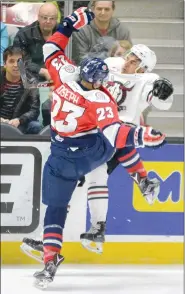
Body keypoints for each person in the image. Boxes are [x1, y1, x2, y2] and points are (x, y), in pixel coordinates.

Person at [29, 8, 165, 289]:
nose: (129, 62)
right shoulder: (99, 98)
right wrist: (144, 136)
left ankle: (51, 258)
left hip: (59, 155)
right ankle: (140, 180)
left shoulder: (65, 75)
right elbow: (115, 133)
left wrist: (69, 23)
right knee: (116, 138)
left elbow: (51, 47)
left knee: (56, 208)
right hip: (93, 148)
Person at [79, 44, 174, 253]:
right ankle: (143, 182)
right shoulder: (112, 64)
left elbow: (162, 102)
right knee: (94, 176)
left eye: (134, 62)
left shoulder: (147, 80)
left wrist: (165, 94)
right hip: (94, 128)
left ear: (143, 69)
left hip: (119, 131)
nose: (128, 63)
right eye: (129, 57)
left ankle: (96, 227)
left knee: (93, 176)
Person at [0, 46, 41, 134]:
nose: (16, 65)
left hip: (20, 123)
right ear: (5, 64)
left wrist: (20, 120)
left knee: (35, 126)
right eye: (11, 61)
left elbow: (35, 110)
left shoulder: (31, 81)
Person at [13, 3, 58, 82]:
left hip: (56, 77)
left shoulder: (61, 32)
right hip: (30, 79)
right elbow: (19, 61)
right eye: (44, 18)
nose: (48, 21)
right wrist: (43, 71)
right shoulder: (23, 34)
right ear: (38, 17)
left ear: (56, 19)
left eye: (52, 18)